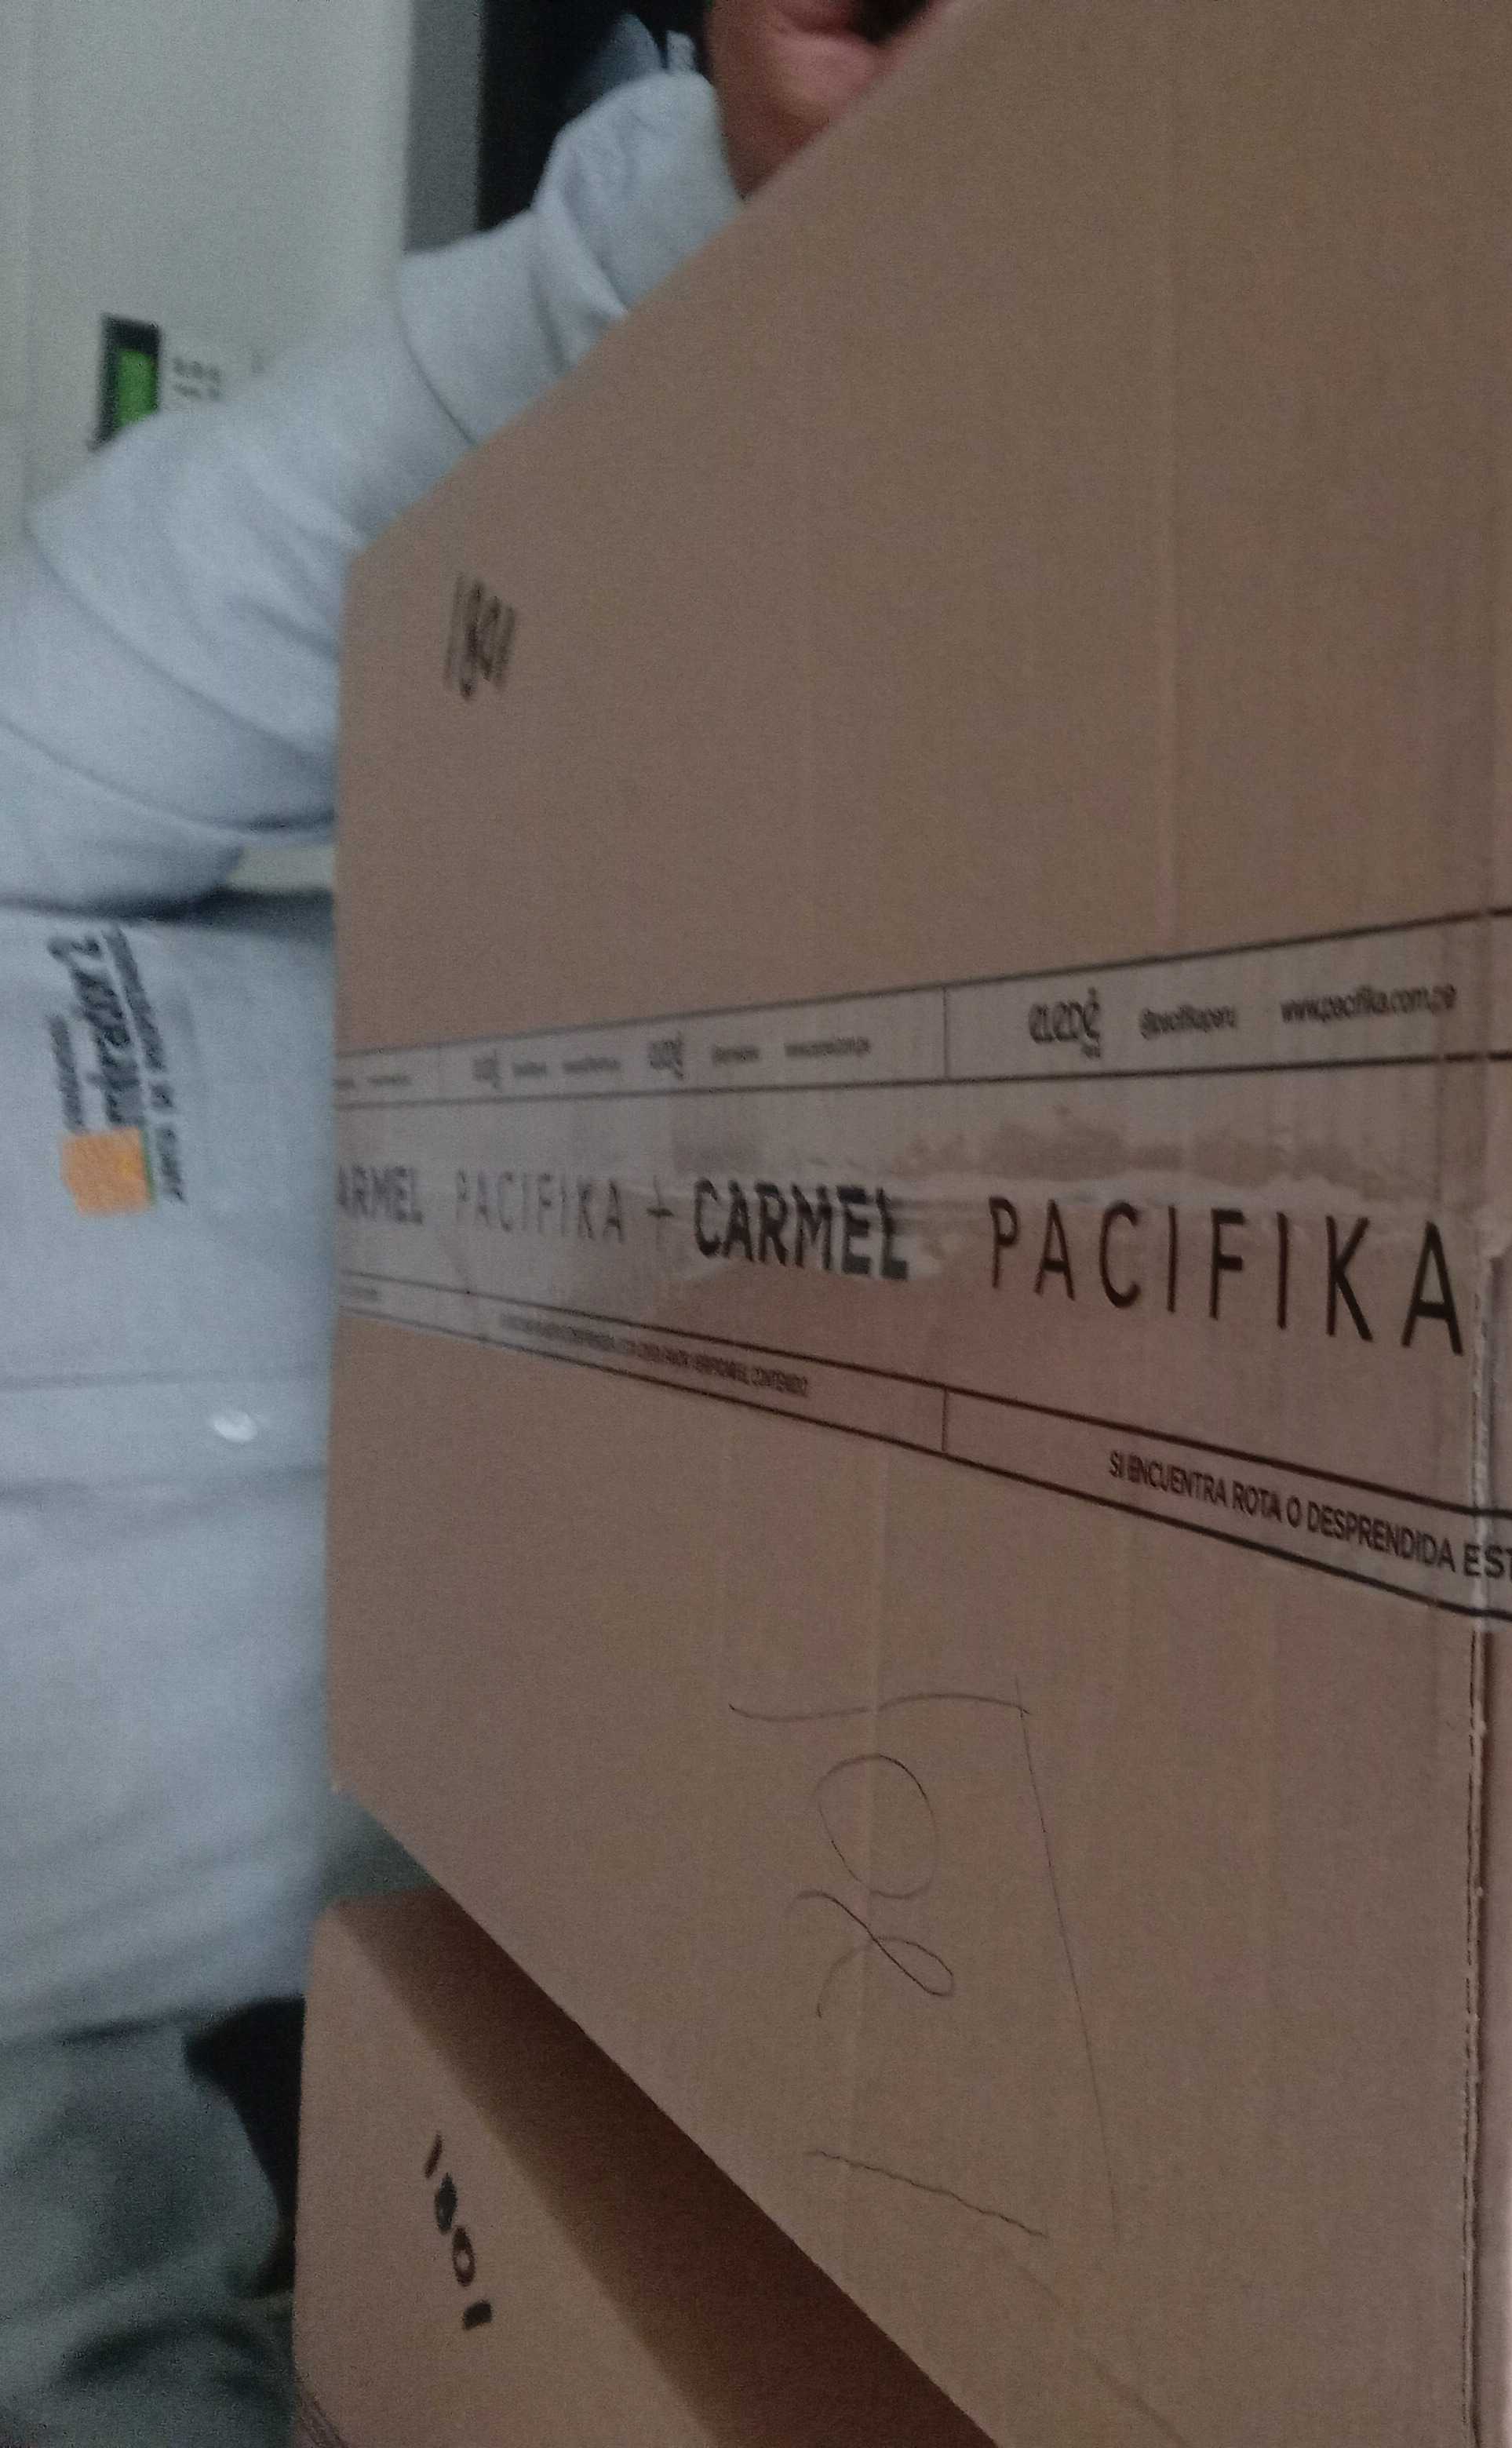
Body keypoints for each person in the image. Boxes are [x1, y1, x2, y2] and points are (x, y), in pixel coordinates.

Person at [0, 7, 938, 2439]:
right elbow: (104, 2368)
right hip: (917, 1787)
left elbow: (350, 506)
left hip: (1031, 1072)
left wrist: (764, 193)